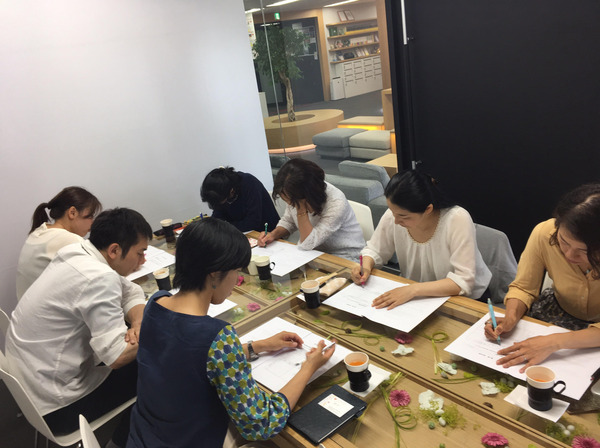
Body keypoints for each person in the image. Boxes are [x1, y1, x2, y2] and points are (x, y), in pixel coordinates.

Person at [127, 217, 335, 448]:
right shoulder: (216, 336)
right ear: (214, 274)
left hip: (144, 437)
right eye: (236, 271)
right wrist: (308, 368)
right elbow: (262, 424)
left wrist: (257, 346)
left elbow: (189, 359)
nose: (237, 281)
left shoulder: (156, 303)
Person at [6, 208, 152, 448]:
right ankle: (123, 440)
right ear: (114, 250)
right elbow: (116, 356)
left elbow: (131, 291)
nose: (142, 261)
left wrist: (138, 323)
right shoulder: (99, 277)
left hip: (34, 387)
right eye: (140, 253)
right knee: (157, 364)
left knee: (139, 342)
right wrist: (154, 330)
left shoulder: (77, 252)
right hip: (60, 407)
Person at [485, 183, 600, 373]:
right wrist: (511, 317)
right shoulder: (544, 233)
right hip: (557, 312)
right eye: (563, 242)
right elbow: (523, 287)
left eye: (584, 251)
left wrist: (554, 342)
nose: (569, 255)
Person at [351, 170, 491, 309]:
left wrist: (413, 290)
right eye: (392, 212)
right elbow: (375, 250)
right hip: (416, 296)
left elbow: (463, 281)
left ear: (428, 209)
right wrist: (366, 266)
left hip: (462, 299)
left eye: (403, 216)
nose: (396, 221)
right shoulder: (394, 215)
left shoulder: (457, 219)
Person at [258, 159, 365, 262]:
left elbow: (307, 244)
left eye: (292, 202)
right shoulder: (294, 194)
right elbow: (289, 221)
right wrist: (273, 235)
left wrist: (301, 210)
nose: (290, 205)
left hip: (345, 256)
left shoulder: (336, 203)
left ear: (307, 195)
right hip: (315, 254)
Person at [16, 186, 102, 300]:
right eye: (90, 216)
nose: (92, 223)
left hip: (25, 307)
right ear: (72, 213)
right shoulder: (70, 240)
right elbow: (101, 276)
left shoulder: (40, 231)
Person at [201, 166, 279, 233]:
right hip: (240, 232)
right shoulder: (219, 192)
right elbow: (218, 216)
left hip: (266, 232)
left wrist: (224, 227)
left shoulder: (249, 183)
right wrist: (211, 226)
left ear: (231, 192)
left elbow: (253, 222)